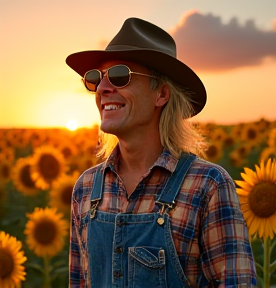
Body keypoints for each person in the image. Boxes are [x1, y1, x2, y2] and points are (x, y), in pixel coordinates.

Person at [66, 17, 257, 288]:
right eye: (96, 78)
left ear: (162, 95)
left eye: (120, 75)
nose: (103, 88)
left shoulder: (207, 187)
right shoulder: (86, 189)